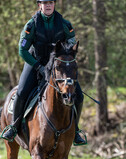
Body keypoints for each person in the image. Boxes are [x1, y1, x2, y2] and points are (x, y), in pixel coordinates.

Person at [2, 0, 85, 145]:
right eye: (44, 2)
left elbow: (72, 48)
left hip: (57, 65)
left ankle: (76, 131)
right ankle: (14, 127)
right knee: (21, 92)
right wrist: (38, 66)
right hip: (36, 62)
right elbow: (22, 50)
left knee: (79, 96)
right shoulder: (31, 25)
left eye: (51, 2)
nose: (48, 5)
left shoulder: (65, 24)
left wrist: (66, 62)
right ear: (39, 5)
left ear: (54, 4)